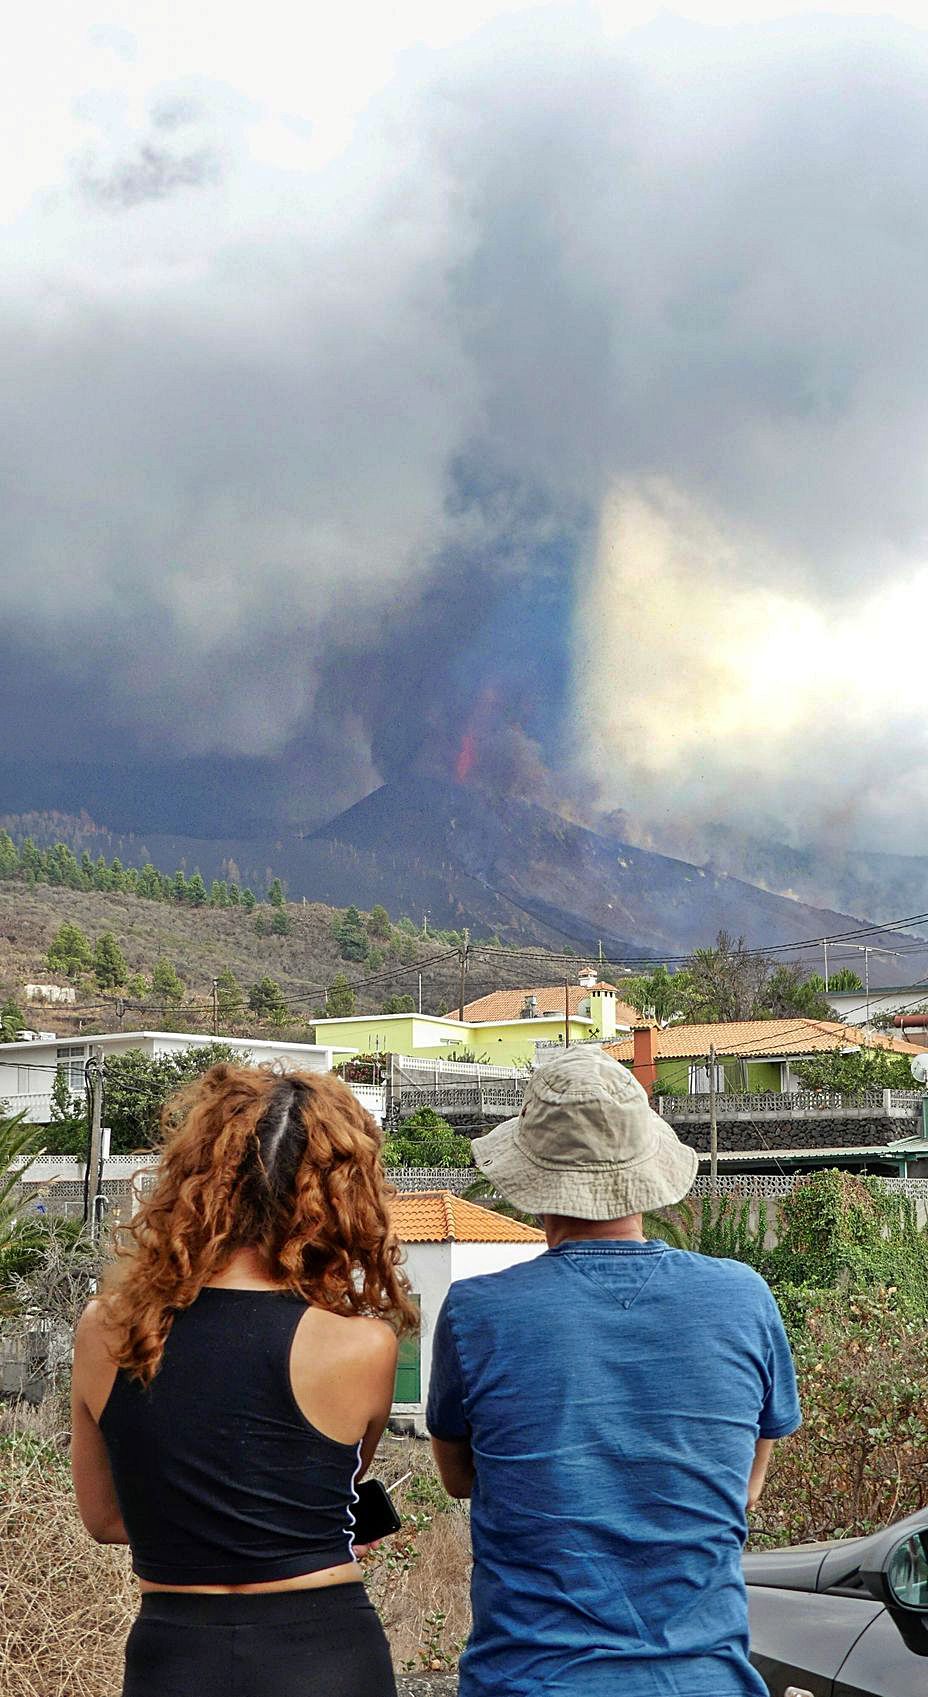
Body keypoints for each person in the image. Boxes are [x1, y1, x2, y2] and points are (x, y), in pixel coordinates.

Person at [427, 1044, 801, 1697]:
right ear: (645, 1169)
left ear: (531, 1176)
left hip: (531, 1681)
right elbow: (746, 1486)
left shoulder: (478, 1312)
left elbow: (458, 1477)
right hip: (704, 1681)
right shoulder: (744, 1297)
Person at [71, 1063, 416, 1697]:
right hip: (325, 1652)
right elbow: (335, 1494)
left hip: (174, 1654)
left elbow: (105, 1518)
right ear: (343, 1200)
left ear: (193, 1180)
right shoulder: (362, 1345)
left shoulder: (107, 1331)